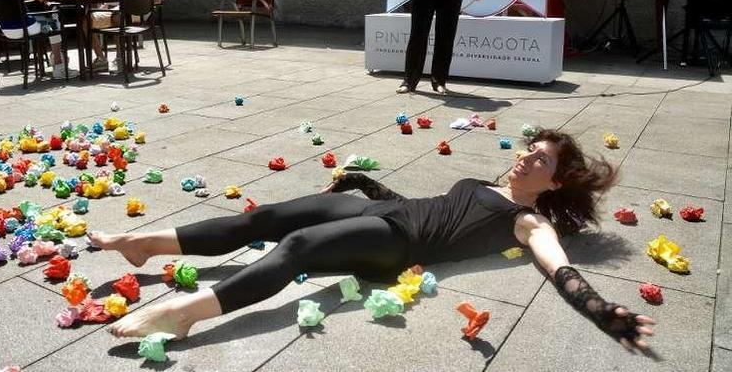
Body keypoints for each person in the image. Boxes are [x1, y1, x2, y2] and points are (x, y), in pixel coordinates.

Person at [88, 129, 657, 352]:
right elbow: (432, 205)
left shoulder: (530, 223)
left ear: (554, 182)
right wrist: (366, 184)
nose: (526, 157)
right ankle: (142, 243)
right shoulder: (489, 184)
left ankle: (184, 313)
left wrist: (602, 310)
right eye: (528, 148)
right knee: (264, 218)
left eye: (541, 159)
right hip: (387, 211)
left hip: (397, 245)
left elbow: (559, 270)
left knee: (299, 248)